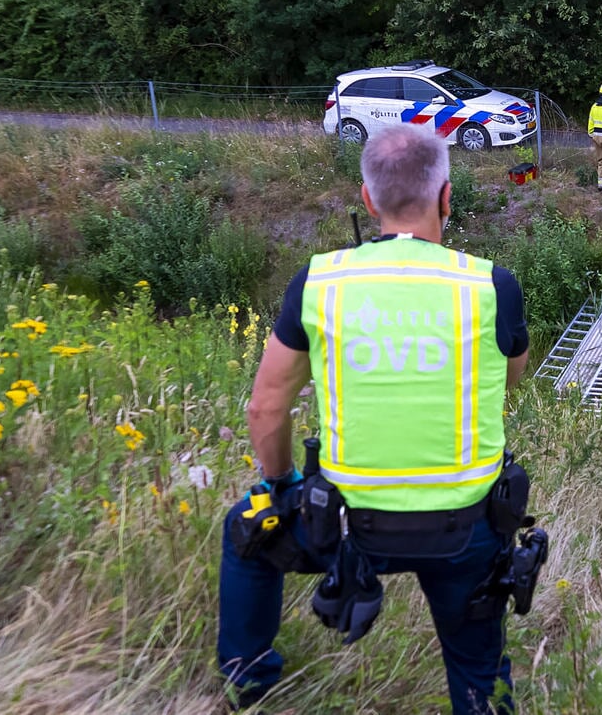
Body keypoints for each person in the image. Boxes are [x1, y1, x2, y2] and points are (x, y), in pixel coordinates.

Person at [216, 123, 532, 714]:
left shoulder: (319, 281)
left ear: (368, 199)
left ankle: (249, 685)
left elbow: (266, 406)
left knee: (247, 528)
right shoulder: (492, 285)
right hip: (465, 524)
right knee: (478, 670)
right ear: (446, 197)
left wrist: (281, 484)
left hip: (344, 523)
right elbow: (511, 379)